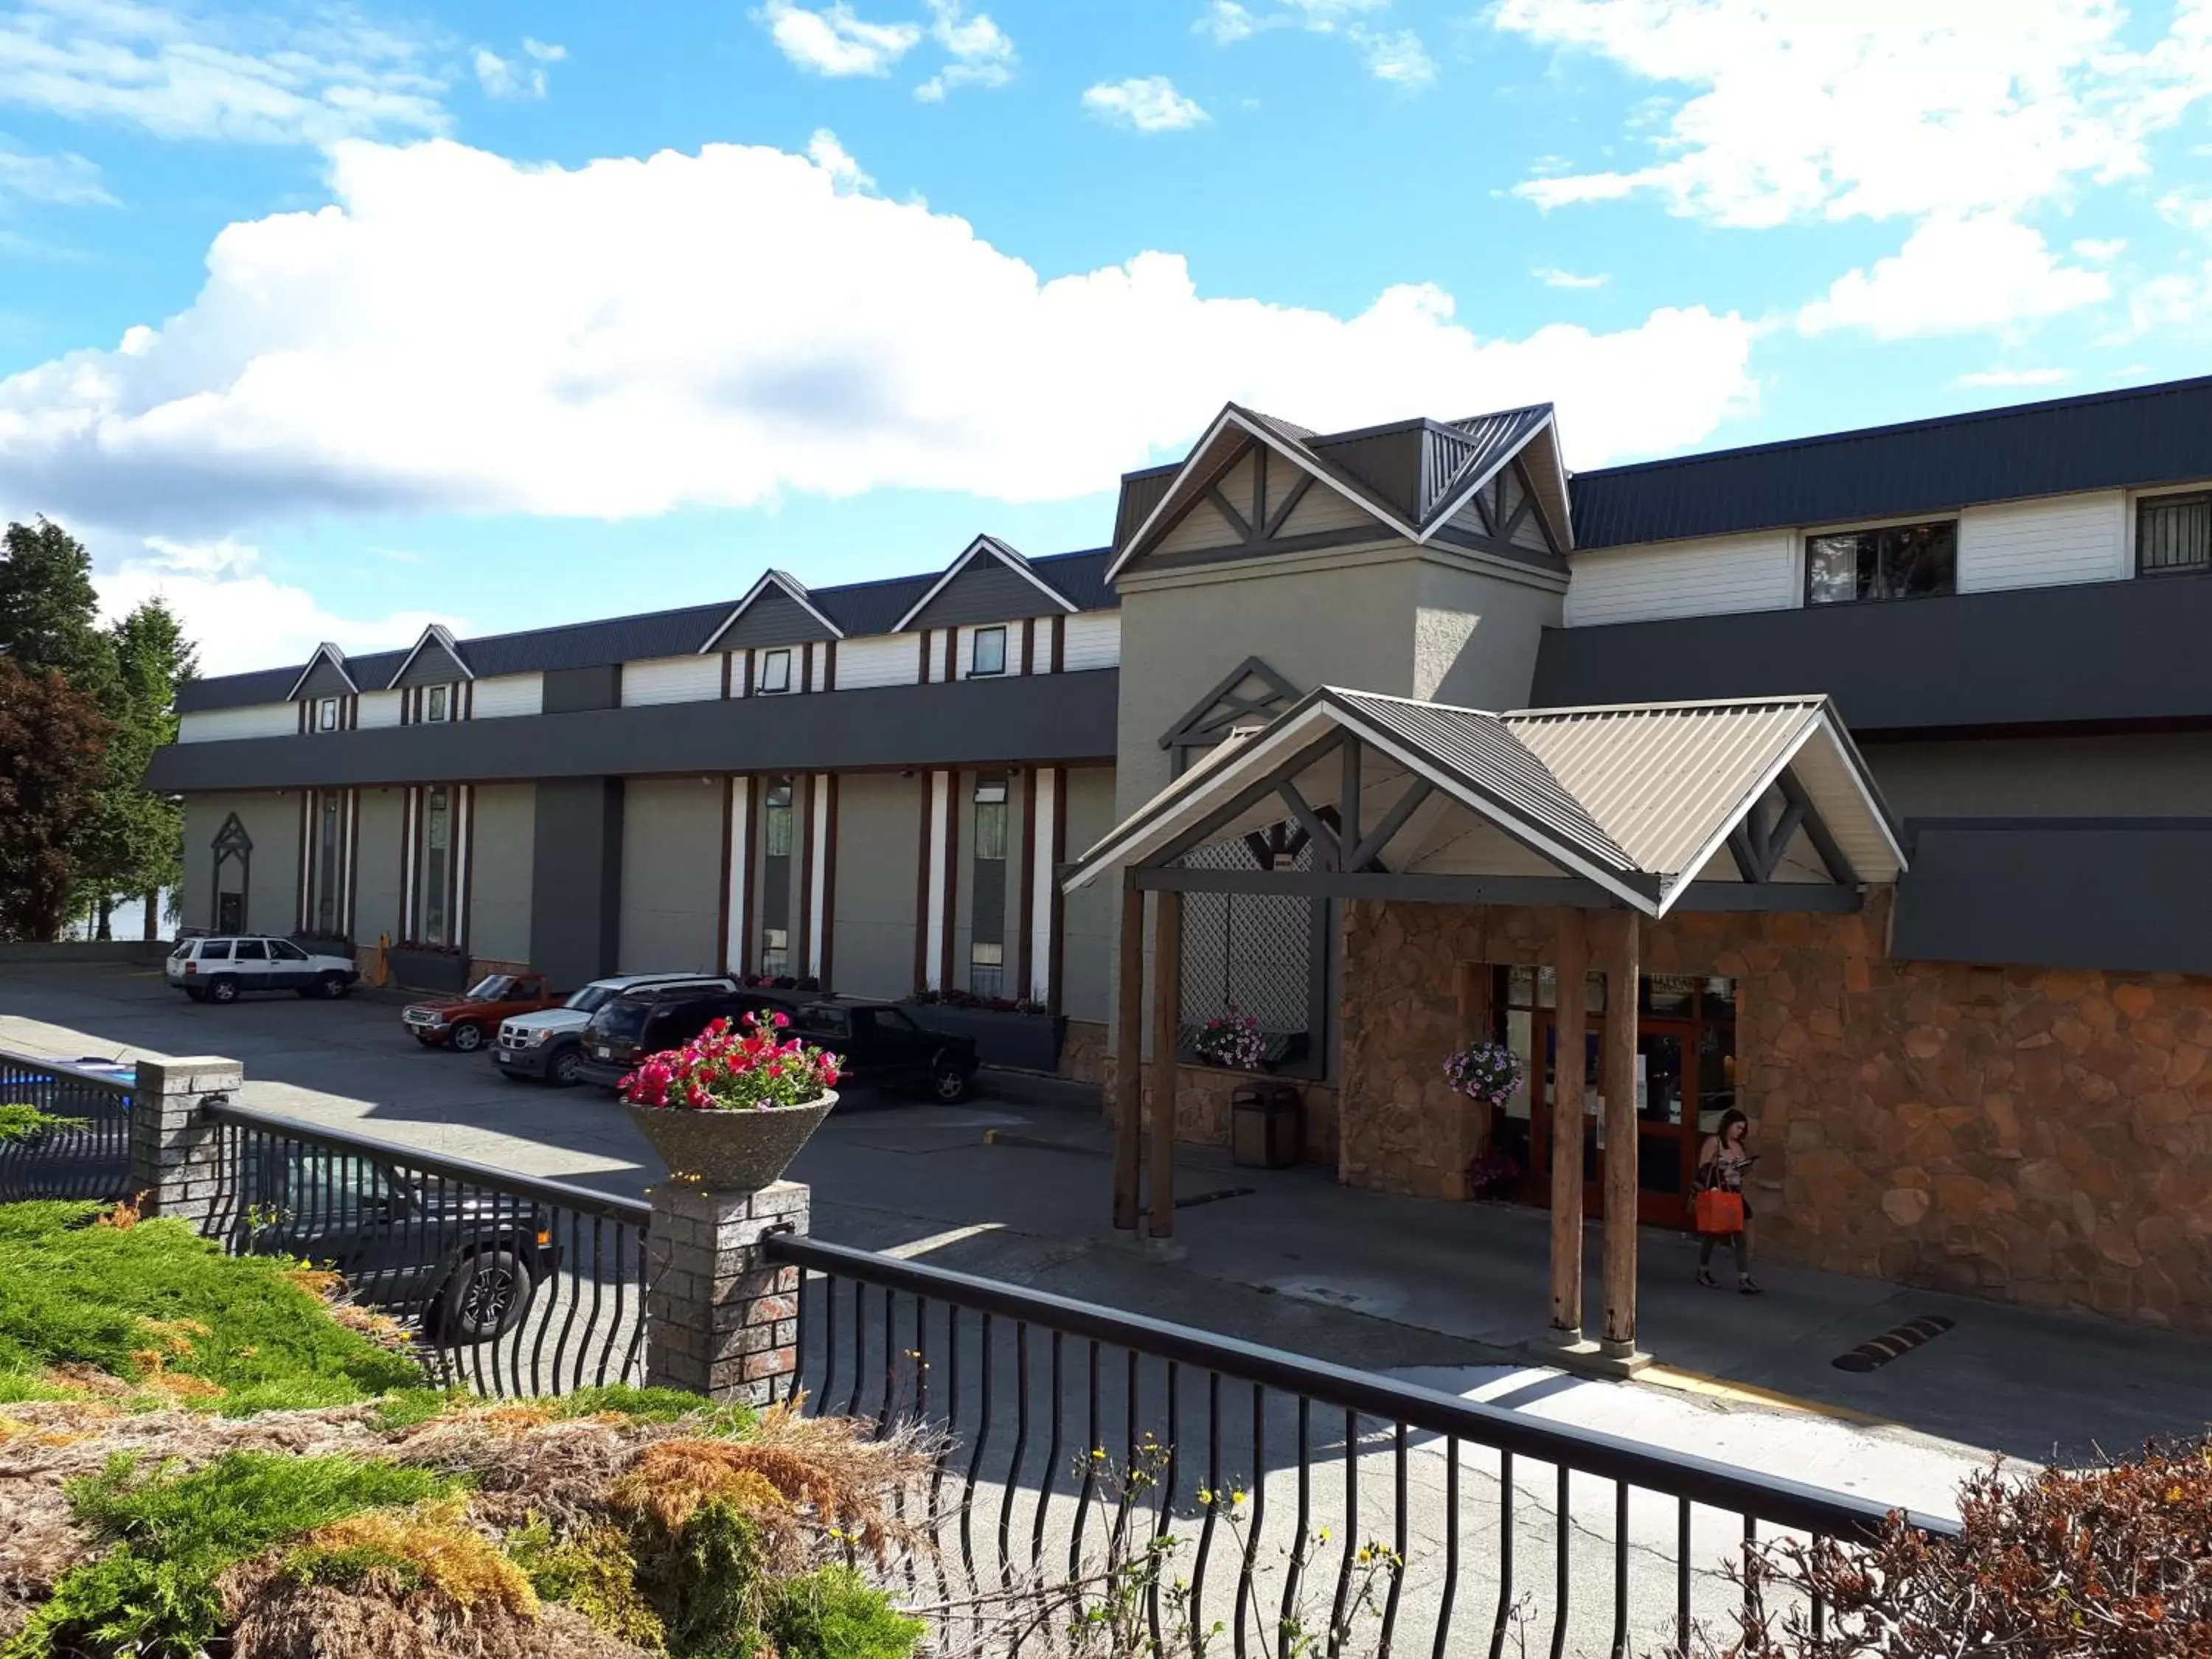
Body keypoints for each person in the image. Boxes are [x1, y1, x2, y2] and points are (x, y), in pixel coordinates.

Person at [1695, 1108, 1761, 1294]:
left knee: (1739, 1234)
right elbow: (1703, 1167)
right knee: (1714, 1233)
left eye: (1743, 1129)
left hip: (1734, 1192)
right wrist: (1722, 1168)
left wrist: (1747, 1167)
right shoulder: (1714, 1142)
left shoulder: (1739, 1147)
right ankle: (1703, 1270)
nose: (1740, 1131)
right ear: (1728, 1125)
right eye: (1738, 1127)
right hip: (1718, 1191)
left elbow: (1741, 1172)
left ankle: (1744, 1277)